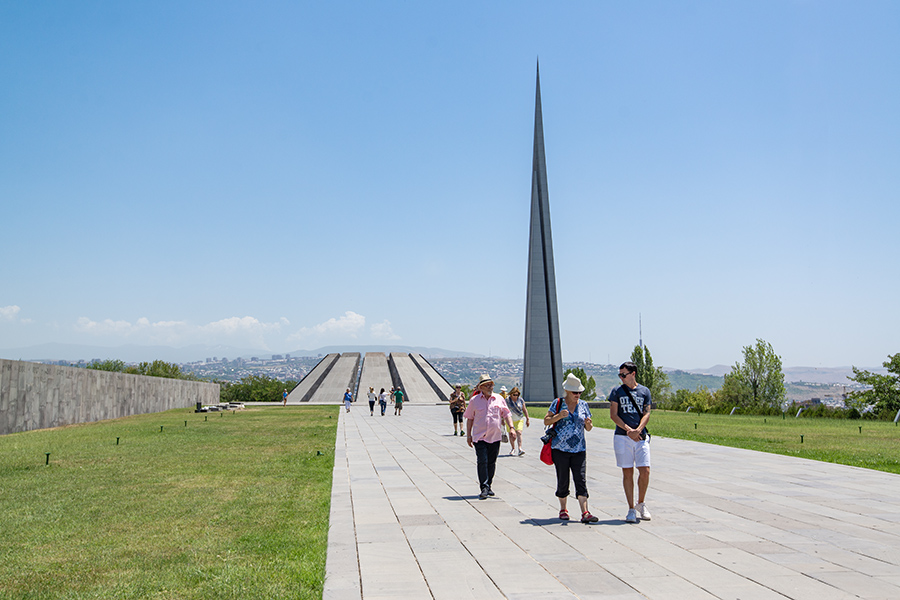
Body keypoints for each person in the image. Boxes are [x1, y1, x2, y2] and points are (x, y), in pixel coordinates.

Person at [544, 373, 599, 523]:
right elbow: (546, 421)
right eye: (575, 392)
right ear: (567, 391)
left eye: (579, 392)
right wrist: (559, 416)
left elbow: (588, 428)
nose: (578, 395)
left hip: (579, 449)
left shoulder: (583, 405)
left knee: (581, 479)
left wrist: (588, 424)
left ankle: (585, 512)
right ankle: (563, 509)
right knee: (563, 480)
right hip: (560, 449)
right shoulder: (558, 403)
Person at [609, 361, 652, 523]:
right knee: (627, 472)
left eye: (623, 374)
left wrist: (638, 430)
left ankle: (641, 503)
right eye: (619, 375)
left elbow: (647, 413)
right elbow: (613, 415)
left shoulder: (644, 391)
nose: (621, 377)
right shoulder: (617, 391)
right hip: (622, 437)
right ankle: (631, 508)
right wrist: (628, 430)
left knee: (645, 470)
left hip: (640, 437)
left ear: (633, 374)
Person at [464, 374, 515, 500]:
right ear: (481, 387)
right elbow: (470, 418)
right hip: (479, 437)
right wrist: (469, 435)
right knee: (482, 461)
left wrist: (512, 428)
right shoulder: (474, 400)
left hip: (495, 436)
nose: (489, 387)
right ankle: (484, 487)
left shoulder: (499, 398)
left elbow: (507, 414)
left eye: (491, 385)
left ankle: (489, 485)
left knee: (491, 462)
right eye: (486, 385)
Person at [505, 387, 529, 455]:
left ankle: (520, 448)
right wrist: (502, 419)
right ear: (511, 394)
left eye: (517, 395)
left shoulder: (520, 400)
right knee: (511, 435)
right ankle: (513, 448)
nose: (515, 396)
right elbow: (503, 410)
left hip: (519, 419)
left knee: (519, 432)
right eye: (514, 395)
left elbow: (524, 409)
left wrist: (527, 419)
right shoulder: (507, 400)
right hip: (510, 420)